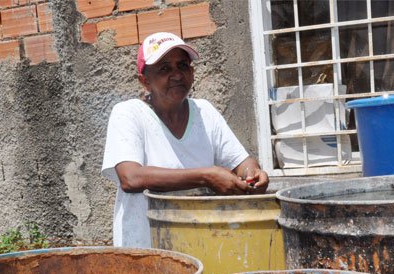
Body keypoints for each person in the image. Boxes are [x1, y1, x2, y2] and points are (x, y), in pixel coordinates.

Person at [102, 32, 269, 248]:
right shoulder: (128, 113)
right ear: (145, 81)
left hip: (201, 247)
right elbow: (130, 178)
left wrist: (253, 175)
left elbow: (242, 162)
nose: (177, 75)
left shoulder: (204, 112)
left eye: (183, 65)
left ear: (192, 72)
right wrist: (206, 177)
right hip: (145, 252)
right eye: (164, 68)